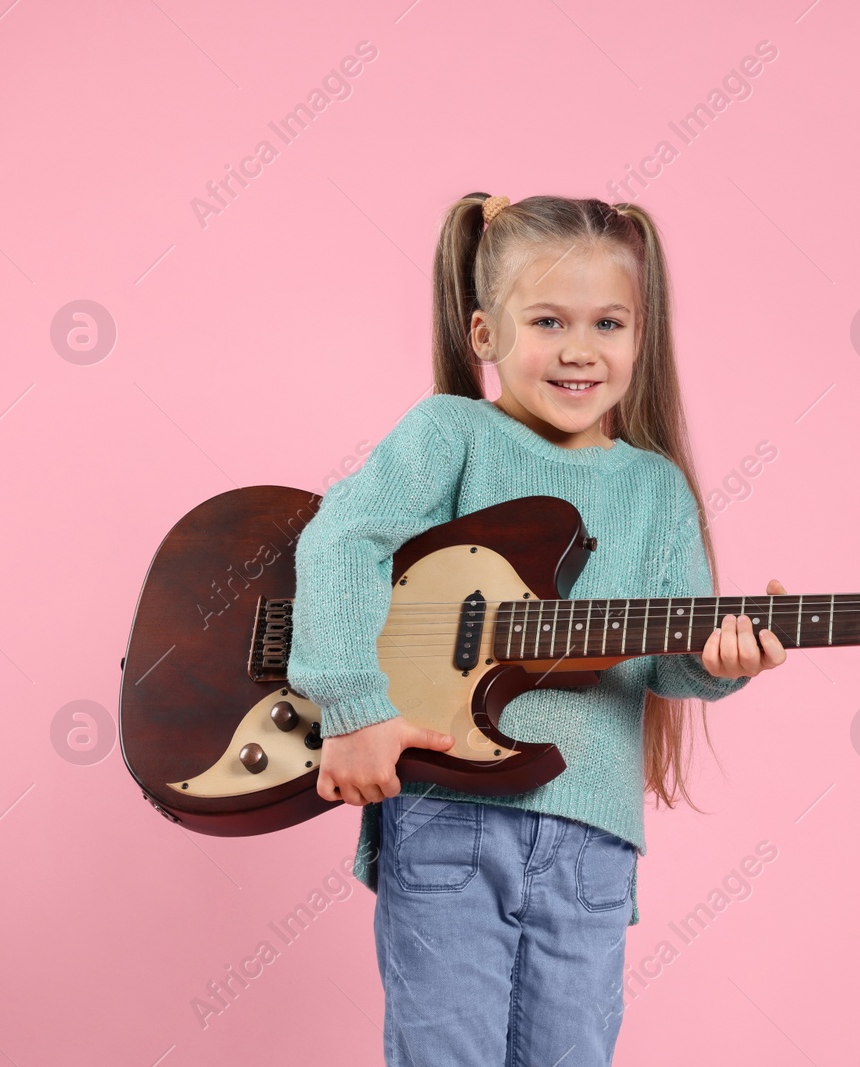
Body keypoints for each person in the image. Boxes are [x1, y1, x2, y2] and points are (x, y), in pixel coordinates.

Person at [286, 192, 788, 1066]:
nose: (580, 349)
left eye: (609, 322)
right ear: (485, 334)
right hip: (450, 817)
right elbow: (340, 538)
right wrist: (353, 703)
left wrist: (720, 666)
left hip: (593, 842)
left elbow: (667, 664)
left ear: (642, 335)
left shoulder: (655, 487)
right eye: (549, 320)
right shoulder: (454, 433)